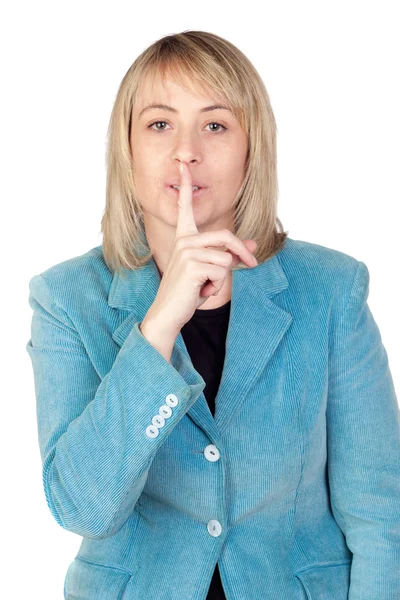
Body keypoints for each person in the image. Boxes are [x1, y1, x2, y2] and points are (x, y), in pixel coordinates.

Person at [26, 30, 400, 600]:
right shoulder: (65, 299)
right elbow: (84, 508)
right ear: (126, 149)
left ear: (253, 148)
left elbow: (381, 516)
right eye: (159, 124)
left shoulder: (330, 289)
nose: (186, 150)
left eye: (216, 125)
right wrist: (158, 328)